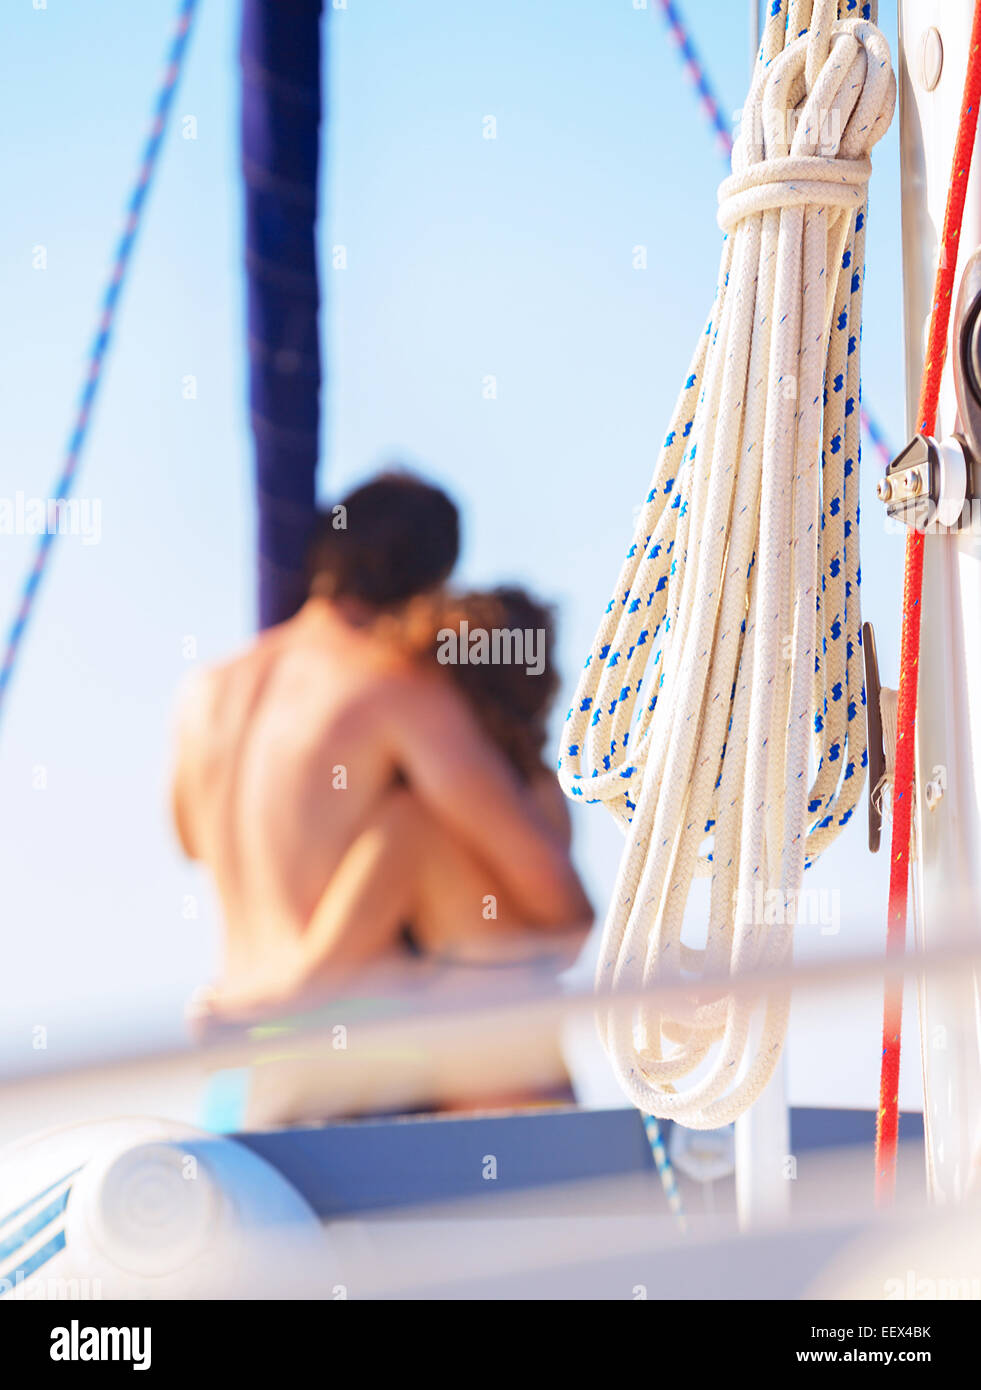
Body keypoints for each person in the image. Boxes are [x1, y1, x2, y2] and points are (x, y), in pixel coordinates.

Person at [173, 471, 591, 1029]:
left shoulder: (205, 693)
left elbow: (190, 843)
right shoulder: (396, 686)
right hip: (355, 1055)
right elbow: (559, 903)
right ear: (430, 588)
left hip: (229, 1044)